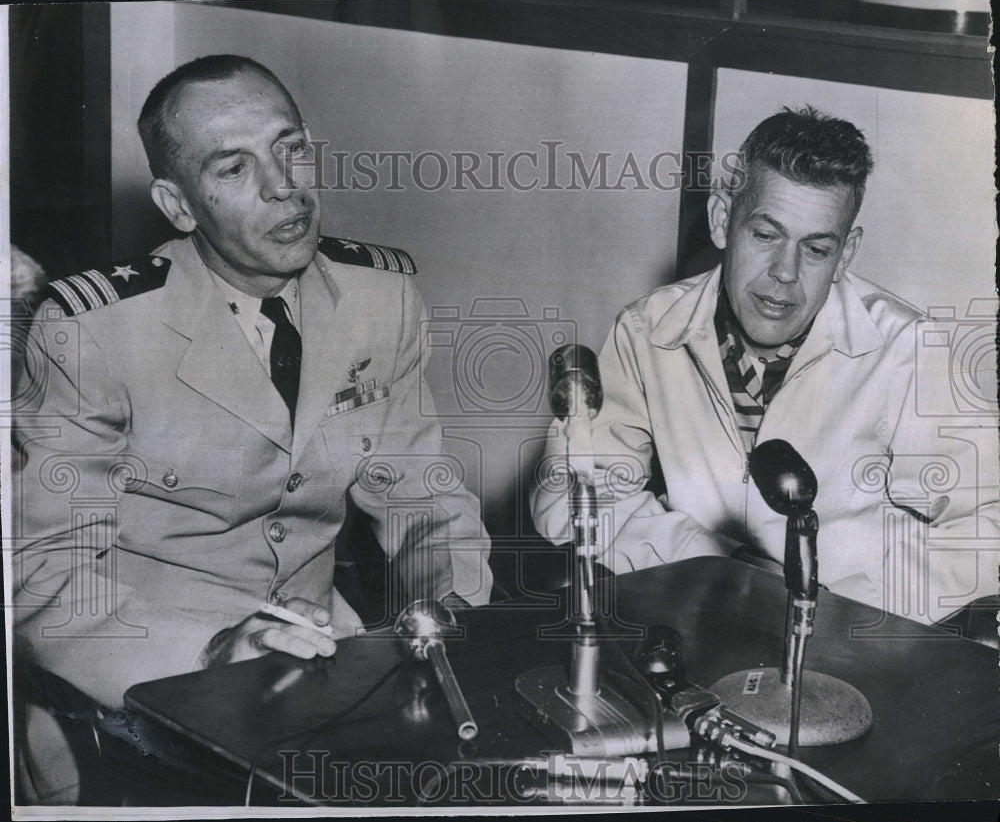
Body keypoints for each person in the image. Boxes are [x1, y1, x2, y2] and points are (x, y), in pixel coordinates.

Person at [12, 54, 493, 731]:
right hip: (136, 694)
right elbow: (42, 580)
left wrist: (452, 621)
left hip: (325, 663)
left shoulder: (381, 301)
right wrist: (207, 653)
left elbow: (425, 505)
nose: (281, 188)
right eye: (233, 167)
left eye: (289, 148)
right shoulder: (96, 331)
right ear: (178, 205)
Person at [531, 107, 998, 625]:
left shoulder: (909, 349)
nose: (784, 273)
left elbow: (990, 523)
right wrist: (711, 562)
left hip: (853, 645)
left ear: (846, 254)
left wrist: (860, 607)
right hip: (699, 620)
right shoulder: (648, 330)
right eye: (765, 235)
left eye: (817, 248)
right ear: (721, 220)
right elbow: (575, 504)